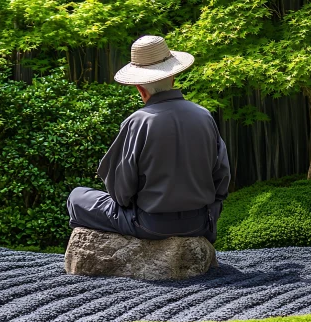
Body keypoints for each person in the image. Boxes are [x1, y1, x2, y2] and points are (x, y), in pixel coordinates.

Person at [66, 35, 231, 243]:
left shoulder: (137, 122)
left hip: (150, 225)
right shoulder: (204, 115)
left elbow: (121, 193)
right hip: (200, 223)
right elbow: (222, 179)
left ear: (140, 89)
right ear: (172, 78)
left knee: (77, 197)